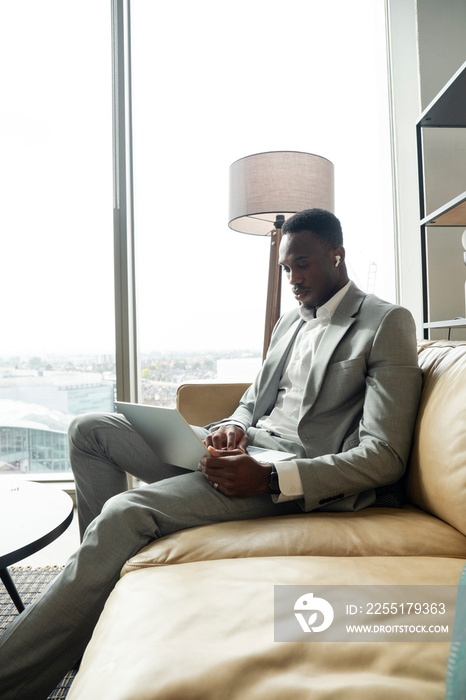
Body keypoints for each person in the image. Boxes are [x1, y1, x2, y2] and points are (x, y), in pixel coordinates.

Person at [0, 209, 422, 699]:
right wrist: (232, 430)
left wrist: (267, 480)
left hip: (286, 475)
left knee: (126, 511)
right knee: (90, 430)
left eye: (301, 265)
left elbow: (385, 454)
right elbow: (252, 402)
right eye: (286, 269)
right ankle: (87, 603)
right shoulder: (289, 321)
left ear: (337, 255)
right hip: (246, 450)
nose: (293, 279)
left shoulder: (385, 322)